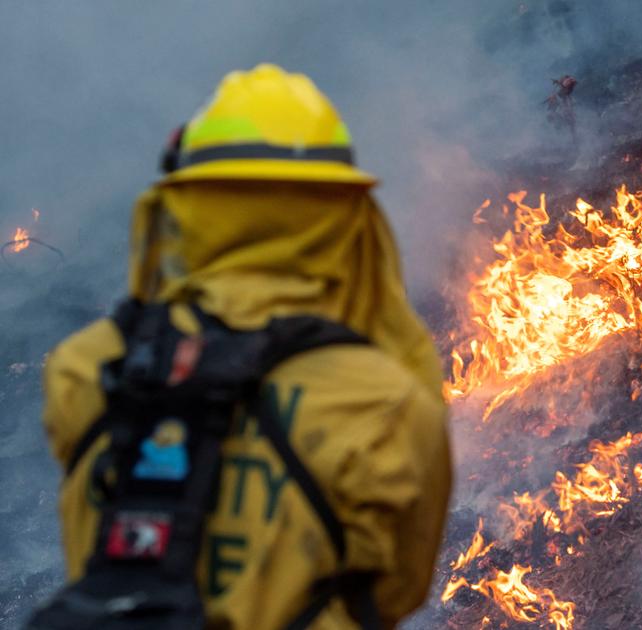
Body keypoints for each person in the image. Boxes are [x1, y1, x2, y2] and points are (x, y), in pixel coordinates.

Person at [34, 64, 451, 629]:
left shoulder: (83, 368)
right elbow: (394, 594)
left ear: (184, 207)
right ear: (343, 215)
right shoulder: (384, 404)